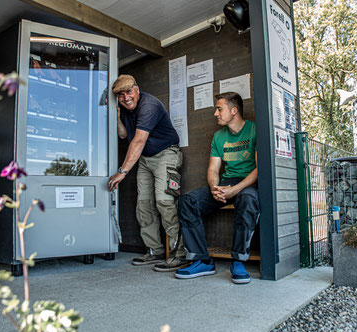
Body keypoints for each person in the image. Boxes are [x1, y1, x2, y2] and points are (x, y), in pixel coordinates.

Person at [175, 92, 259, 284]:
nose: (215, 113)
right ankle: (201, 260)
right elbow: (213, 169)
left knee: (248, 200)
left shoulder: (254, 130)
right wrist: (214, 187)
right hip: (224, 183)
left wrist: (235, 189)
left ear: (234, 110)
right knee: (186, 201)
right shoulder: (218, 136)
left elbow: (258, 170)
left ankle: (239, 261)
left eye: (219, 109)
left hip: (246, 183)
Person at [108, 74, 188, 272]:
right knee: (143, 205)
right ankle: (155, 250)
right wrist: (118, 118)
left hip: (166, 154)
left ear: (137, 89)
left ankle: (180, 254)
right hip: (145, 159)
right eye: (120, 95)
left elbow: (138, 141)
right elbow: (124, 134)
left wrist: (122, 172)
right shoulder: (126, 109)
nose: (126, 97)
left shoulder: (149, 104)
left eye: (128, 92)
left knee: (165, 202)